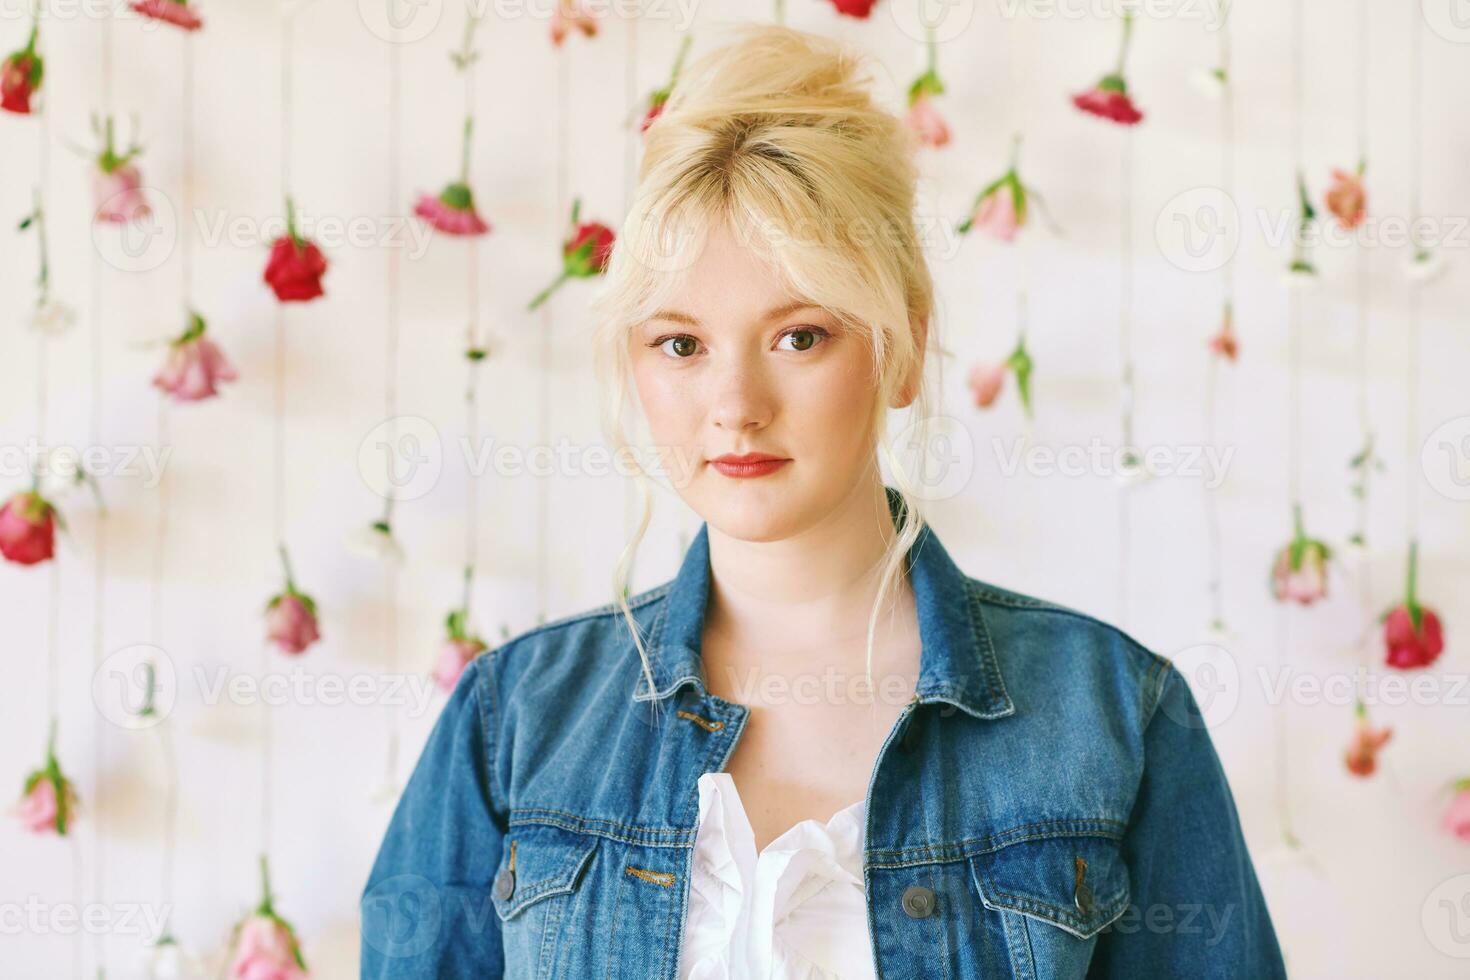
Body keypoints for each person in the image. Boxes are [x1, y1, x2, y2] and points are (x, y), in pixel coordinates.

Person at [360, 23, 1287, 979]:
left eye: (800, 336)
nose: (736, 409)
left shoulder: (1112, 713)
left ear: (902, 348)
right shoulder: (512, 719)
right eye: (680, 344)